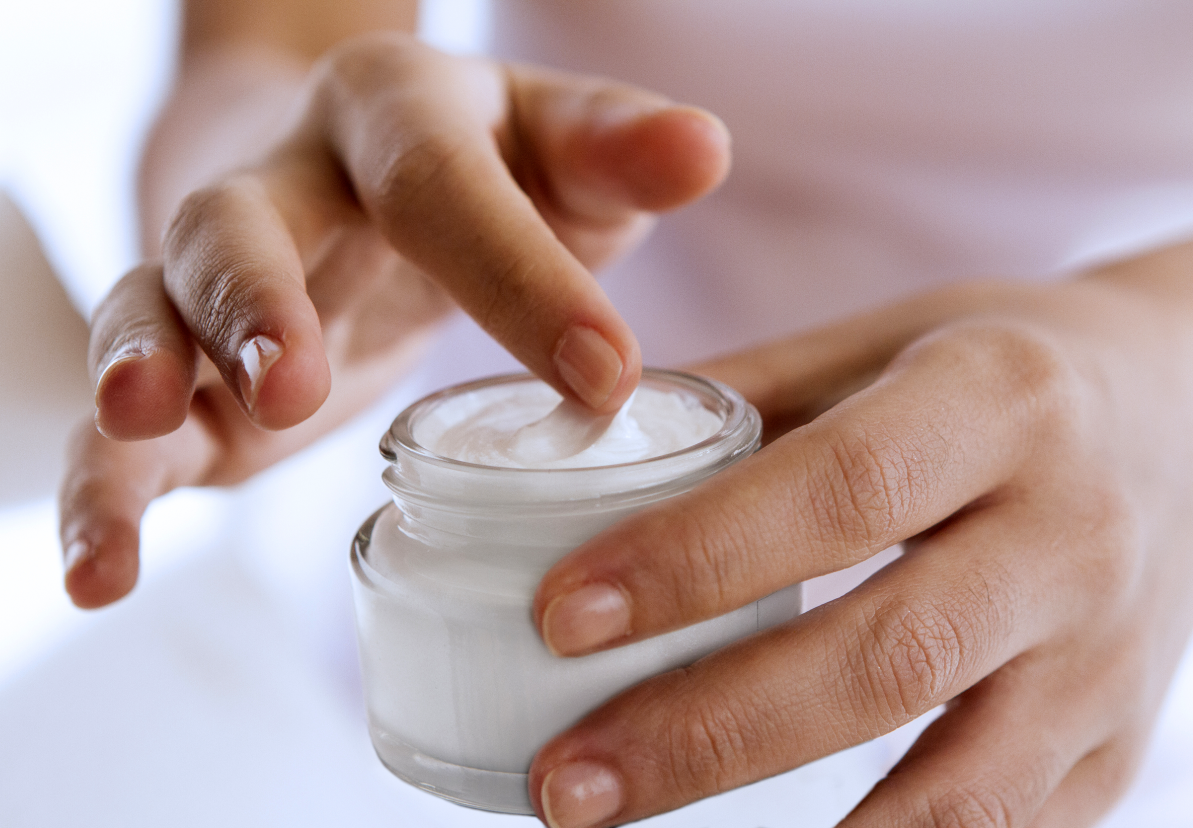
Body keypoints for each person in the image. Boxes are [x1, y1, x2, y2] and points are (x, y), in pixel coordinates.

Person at [58, 1, 1193, 826]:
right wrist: (257, 231)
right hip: (453, 476)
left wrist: (1165, 362)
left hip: (1116, 563)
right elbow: (271, 43)